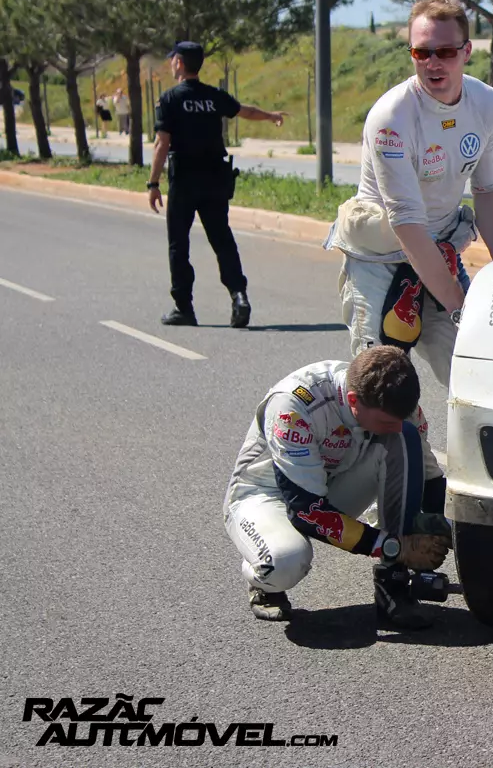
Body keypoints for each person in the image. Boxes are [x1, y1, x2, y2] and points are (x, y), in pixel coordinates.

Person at [325, 0, 493, 389]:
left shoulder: (487, 103)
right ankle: (404, 452)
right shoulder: (392, 117)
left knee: (474, 376)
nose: (433, 63)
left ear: (467, 51)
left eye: (445, 51)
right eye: (421, 53)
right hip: (382, 258)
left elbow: (488, 185)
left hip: (439, 248)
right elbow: (406, 222)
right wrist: (456, 301)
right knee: (381, 390)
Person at [223, 345, 452, 628]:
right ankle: (263, 578)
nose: (393, 427)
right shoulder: (294, 406)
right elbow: (307, 512)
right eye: (385, 421)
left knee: (406, 439)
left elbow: (429, 476)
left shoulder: (399, 409)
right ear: (354, 400)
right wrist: (394, 546)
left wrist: (437, 530)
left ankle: (393, 585)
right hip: (267, 496)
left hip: (328, 488)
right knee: (285, 561)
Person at [147, 41, 287, 327]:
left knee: (179, 245)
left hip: (184, 181)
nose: (172, 63)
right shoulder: (213, 96)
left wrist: (153, 182)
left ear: (179, 64)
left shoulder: (170, 99)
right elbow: (244, 111)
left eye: (173, 59)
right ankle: (239, 296)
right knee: (222, 240)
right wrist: (271, 116)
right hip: (214, 179)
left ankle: (184, 308)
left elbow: (162, 144)